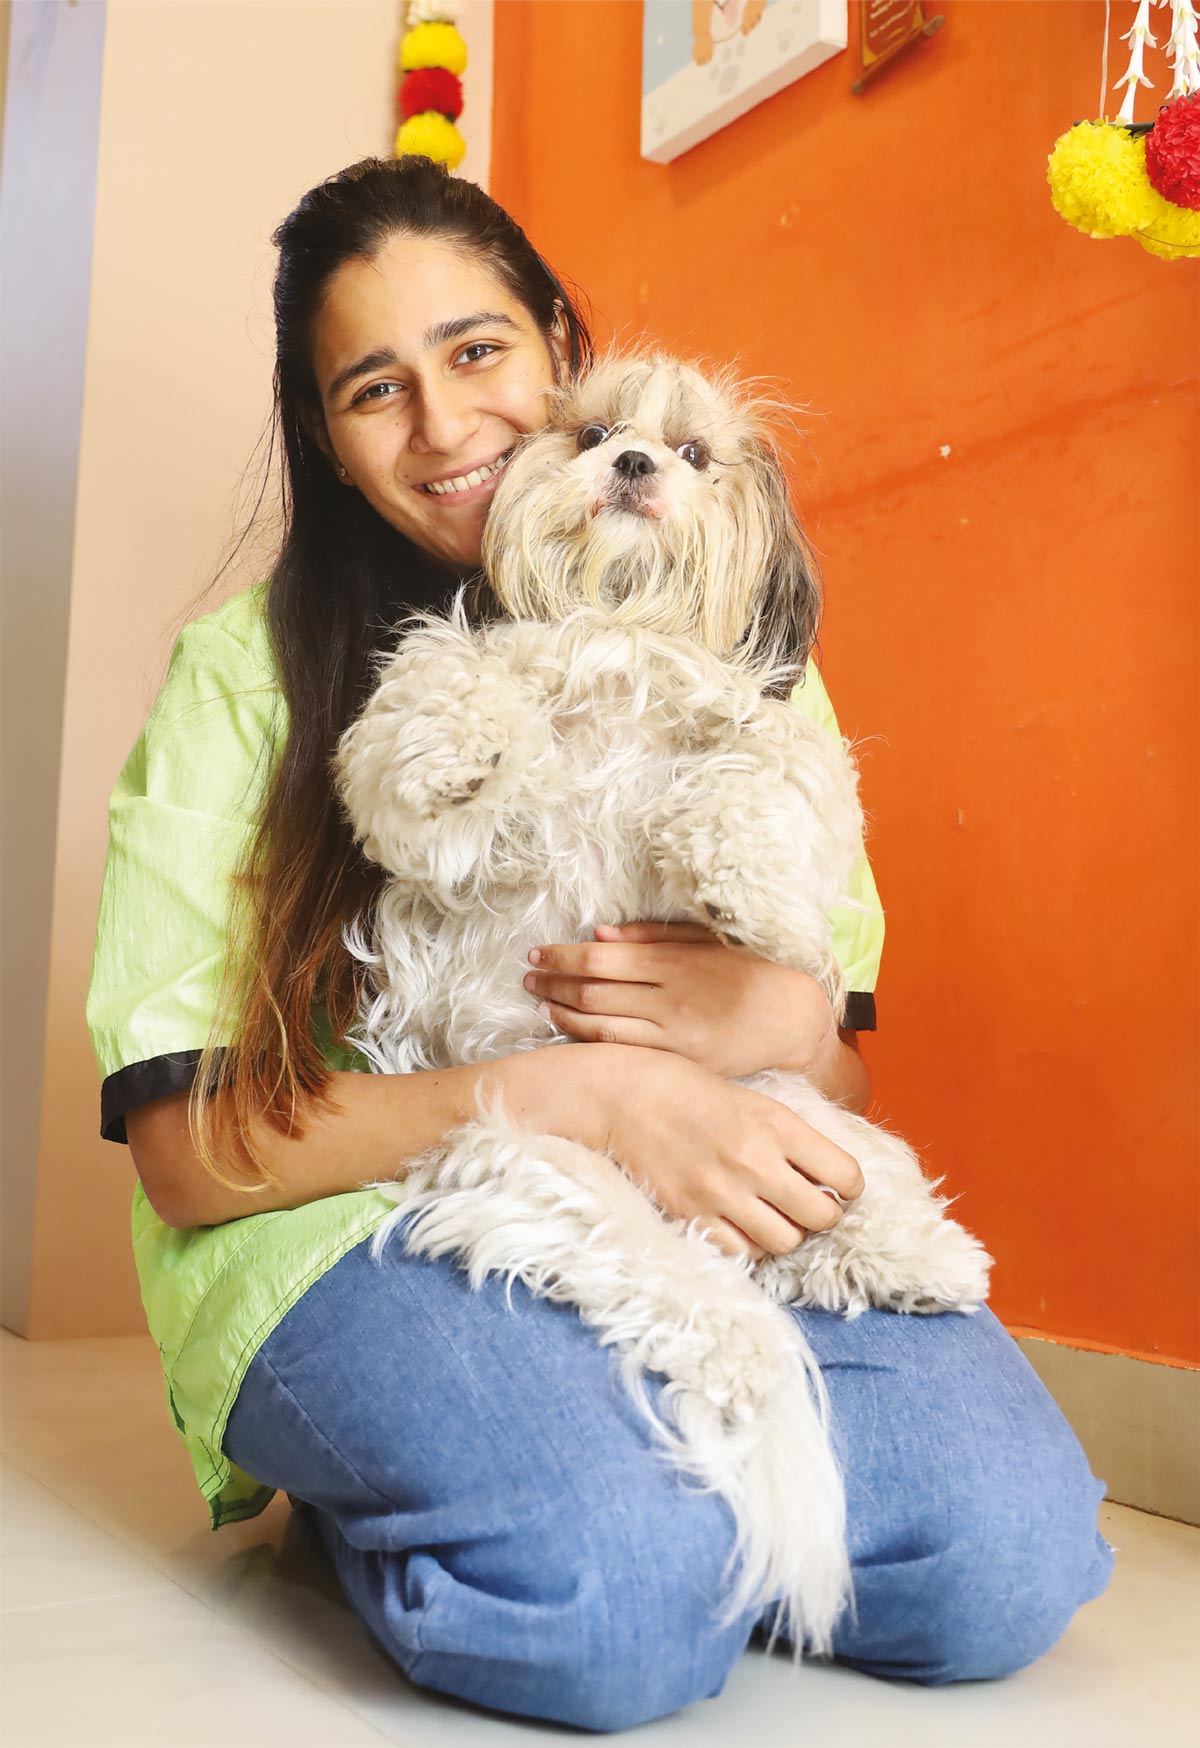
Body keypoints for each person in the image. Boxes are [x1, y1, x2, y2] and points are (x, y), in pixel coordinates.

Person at [86, 156, 1112, 1731]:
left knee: (1004, 1563)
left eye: (480, 352)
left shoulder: (731, 630)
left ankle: (595, 1464)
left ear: (563, 347)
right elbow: (186, 1151)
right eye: (377, 388)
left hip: (699, 1199)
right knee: (614, 1613)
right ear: (329, 443)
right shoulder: (243, 678)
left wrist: (759, 1018)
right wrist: (578, 1095)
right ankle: (457, 1493)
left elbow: (830, 1057)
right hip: (348, 1213)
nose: (445, 428)